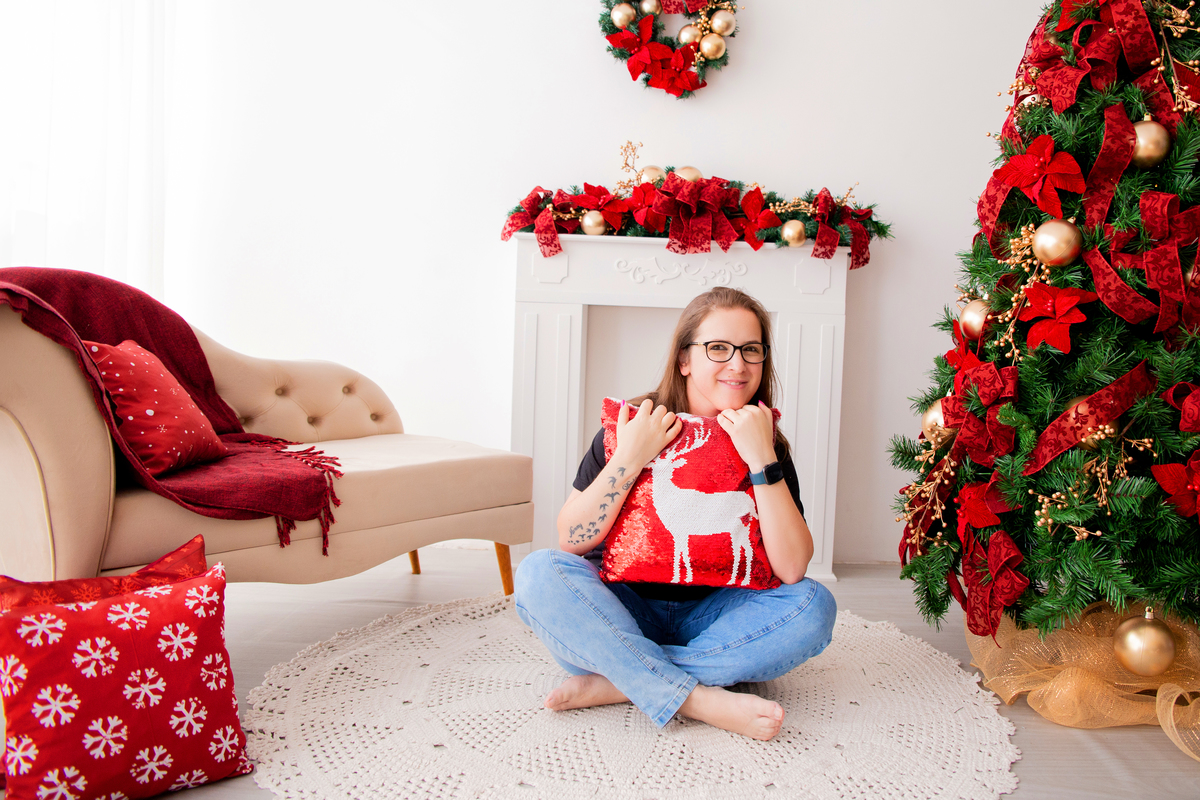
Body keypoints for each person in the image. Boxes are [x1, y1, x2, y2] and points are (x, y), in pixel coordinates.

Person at [513, 287, 837, 741]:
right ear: (685, 359)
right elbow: (572, 539)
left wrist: (762, 458)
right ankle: (699, 695)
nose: (738, 365)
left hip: (718, 615)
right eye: (718, 348)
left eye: (751, 350)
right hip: (623, 609)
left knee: (814, 606)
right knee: (538, 572)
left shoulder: (764, 436)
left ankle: (623, 679)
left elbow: (792, 568)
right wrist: (632, 455)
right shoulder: (633, 422)